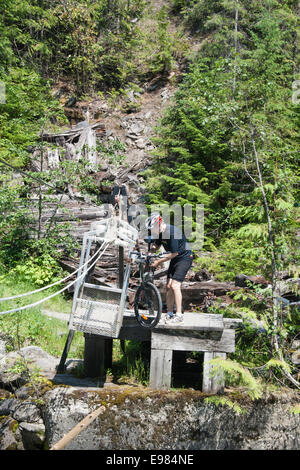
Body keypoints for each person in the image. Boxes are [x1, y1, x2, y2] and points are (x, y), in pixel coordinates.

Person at [144, 212, 193, 324]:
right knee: (168, 286)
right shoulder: (160, 233)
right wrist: (151, 251)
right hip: (176, 259)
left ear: (158, 224)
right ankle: (169, 314)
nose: (151, 232)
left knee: (175, 285)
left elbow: (174, 253)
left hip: (184, 258)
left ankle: (179, 316)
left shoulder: (171, 232)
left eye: (152, 229)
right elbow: (156, 245)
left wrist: (158, 261)